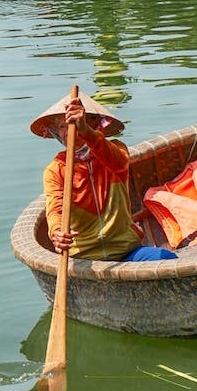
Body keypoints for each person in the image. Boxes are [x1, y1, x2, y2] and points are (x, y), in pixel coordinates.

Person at [30, 90, 176, 262]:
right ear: (57, 133)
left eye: (75, 123)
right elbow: (55, 209)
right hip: (83, 258)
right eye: (62, 126)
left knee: (165, 257)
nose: (70, 129)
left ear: (94, 125)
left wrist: (85, 130)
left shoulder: (115, 150)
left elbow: (119, 162)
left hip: (126, 251)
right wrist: (56, 232)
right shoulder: (55, 170)